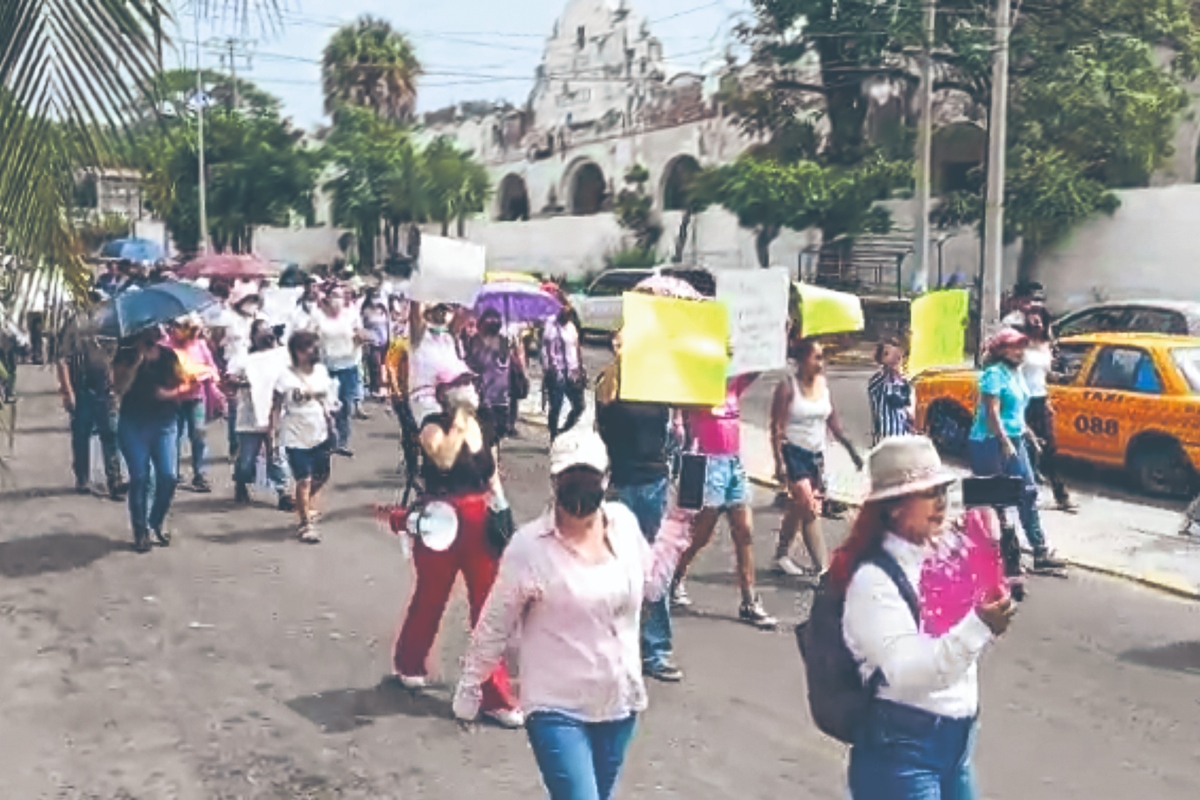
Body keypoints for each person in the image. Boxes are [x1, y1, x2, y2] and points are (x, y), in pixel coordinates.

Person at [453, 429, 692, 799]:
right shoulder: (529, 548)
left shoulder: (624, 525)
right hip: (555, 706)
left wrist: (678, 524)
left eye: (589, 478)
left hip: (618, 705)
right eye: (571, 478)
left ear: (606, 479)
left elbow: (652, 586)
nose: (579, 488)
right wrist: (470, 687)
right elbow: (495, 623)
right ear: (554, 482)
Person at [833, 436, 1015, 800]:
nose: (941, 503)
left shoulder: (940, 553)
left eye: (943, 490)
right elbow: (910, 673)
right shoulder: (873, 580)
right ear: (894, 506)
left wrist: (988, 564)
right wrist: (980, 624)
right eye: (927, 493)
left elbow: (955, 641)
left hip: (956, 746)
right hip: (900, 752)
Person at [392, 364, 522, 728]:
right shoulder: (432, 425)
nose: (471, 388)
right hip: (442, 519)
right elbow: (444, 459)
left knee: (488, 606)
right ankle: (409, 661)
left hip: (480, 517)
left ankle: (494, 695)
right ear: (445, 393)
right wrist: (461, 420)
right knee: (430, 596)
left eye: (472, 382)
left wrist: (502, 505)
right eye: (462, 384)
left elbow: (490, 469)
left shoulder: (484, 422)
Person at [595, 353, 681, 682]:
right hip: (622, 483)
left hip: (654, 482)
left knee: (655, 567)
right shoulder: (609, 382)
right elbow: (603, 417)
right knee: (616, 566)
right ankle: (612, 644)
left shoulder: (657, 381)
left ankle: (655, 649)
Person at [670, 372, 777, 629]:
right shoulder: (698, 389)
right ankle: (673, 576)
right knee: (701, 534)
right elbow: (676, 399)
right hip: (708, 463)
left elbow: (758, 365)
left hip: (733, 463)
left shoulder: (734, 386)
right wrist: (678, 421)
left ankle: (749, 601)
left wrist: (778, 335)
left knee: (745, 532)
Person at [968, 327, 1066, 575]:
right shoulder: (993, 374)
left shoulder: (1017, 373)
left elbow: (1017, 412)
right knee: (994, 498)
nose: (1019, 352)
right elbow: (992, 413)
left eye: (1022, 347)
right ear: (1001, 350)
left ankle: (1039, 550)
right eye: (1014, 347)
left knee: (1028, 491)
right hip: (990, 440)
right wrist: (1004, 441)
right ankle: (1000, 552)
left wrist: (1029, 436)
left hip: (1014, 437)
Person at [771, 338, 863, 577]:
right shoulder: (787, 388)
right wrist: (779, 462)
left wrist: (851, 451)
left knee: (797, 507)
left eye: (822, 357)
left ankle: (781, 554)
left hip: (816, 456)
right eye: (816, 357)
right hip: (793, 453)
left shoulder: (823, 386)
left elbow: (833, 423)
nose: (820, 363)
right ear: (802, 360)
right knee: (810, 508)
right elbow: (777, 428)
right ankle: (823, 568)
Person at [112, 325, 192, 553]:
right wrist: (136, 363)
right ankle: (141, 532)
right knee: (139, 477)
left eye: (155, 328)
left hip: (164, 423)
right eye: (147, 329)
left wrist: (169, 394)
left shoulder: (169, 356)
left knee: (168, 476)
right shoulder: (125, 356)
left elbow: (184, 385)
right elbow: (119, 388)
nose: (154, 332)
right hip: (133, 423)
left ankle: (155, 520)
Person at [271, 331, 338, 543]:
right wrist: (272, 436)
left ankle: (303, 504)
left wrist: (331, 418)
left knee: (322, 475)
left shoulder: (321, 371)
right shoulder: (285, 377)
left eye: (315, 346)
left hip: (319, 432)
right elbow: (276, 407)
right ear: (297, 352)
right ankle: (305, 524)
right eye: (308, 347)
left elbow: (328, 399)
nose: (314, 351)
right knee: (304, 479)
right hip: (295, 435)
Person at [56, 308, 124, 499]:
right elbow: (63, 359)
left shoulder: (115, 324)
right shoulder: (75, 323)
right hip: (82, 388)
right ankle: (82, 477)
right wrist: (67, 390)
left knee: (110, 434)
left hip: (106, 389)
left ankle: (115, 481)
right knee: (81, 434)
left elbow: (120, 360)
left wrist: (119, 386)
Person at [226, 320, 293, 510]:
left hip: (275, 413)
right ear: (253, 337)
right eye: (261, 333)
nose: (266, 337)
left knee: (277, 454)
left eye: (268, 333)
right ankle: (241, 482)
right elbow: (230, 377)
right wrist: (245, 382)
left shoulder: (281, 356)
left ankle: (283, 492)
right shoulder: (243, 357)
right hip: (249, 417)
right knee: (247, 460)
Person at [1022, 307, 1076, 513]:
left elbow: (1043, 375)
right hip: (1021, 401)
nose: (1036, 323)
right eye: (1032, 320)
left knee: (1050, 448)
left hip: (1040, 400)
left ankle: (1061, 495)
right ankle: (1020, 493)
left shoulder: (1047, 345)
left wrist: (1050, 398)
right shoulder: (1020, 344)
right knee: (1023, 449)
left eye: (1039, 320)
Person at [167, 315, 220, 493]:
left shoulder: (200, 346)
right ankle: (172, 474)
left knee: (199, 435)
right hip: (173, 399)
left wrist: (202, 375)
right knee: (173, 437)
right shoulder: (167, 346)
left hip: (196, 397)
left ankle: (200, 474)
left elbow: (212, 369)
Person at [314, 285, 367, 457]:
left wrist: (362, 338)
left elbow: (361, 334)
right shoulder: (318, 317)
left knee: (345, 405)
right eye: (334, 296)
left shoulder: (351, 315)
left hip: (348, 365)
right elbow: (310, 338)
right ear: (327, 297)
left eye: (340, 296)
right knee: (326, 406)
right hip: (326, 367)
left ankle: (342, 441)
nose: (337, 300)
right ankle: (327, 439)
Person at [408, 302, 469, 428]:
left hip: (451, 396)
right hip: (426, 396)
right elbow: (415, 315)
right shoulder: (420, 335)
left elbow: (463, 315)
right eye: (436, 310)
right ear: (428, 314)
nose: (441, 314)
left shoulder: (450, 336)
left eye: (444, 311)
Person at [464, 308, 518, 439]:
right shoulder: (475, 341)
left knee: (500, 429)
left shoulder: (503, 341)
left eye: (496, 320)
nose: (493, 322)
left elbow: (505, 362)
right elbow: (471, 362)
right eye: (490, 320)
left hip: (501, 394)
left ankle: (495, 453)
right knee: (488, 429)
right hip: (483, 393)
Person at [542, 306, 585, 441]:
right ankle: (553, 434)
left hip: (572, 372)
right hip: (558, 372)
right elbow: (548, 351)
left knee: (579, 406)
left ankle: (564, 430)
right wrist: (550, 369)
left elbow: (577, 347)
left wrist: (580, 366)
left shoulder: (571, 327)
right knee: (555, 407)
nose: (566, 317)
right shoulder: (551, 329)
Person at [867, 336, 916, 446]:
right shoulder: (878, 381)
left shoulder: (905, 382)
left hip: (904, 437)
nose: (894, 358)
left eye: (897, 355)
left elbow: (909, 409)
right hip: (886, 438)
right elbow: (874, 388)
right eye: (887, 353)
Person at [361, 289, 391, 400]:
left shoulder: (383, 311)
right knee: (375, 366)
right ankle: (376, 389)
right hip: (372, 342)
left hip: (384, 340)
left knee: (385, 365)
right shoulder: (365, 311)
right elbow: (362, 327)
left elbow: (388, 326)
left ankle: (383, 388)